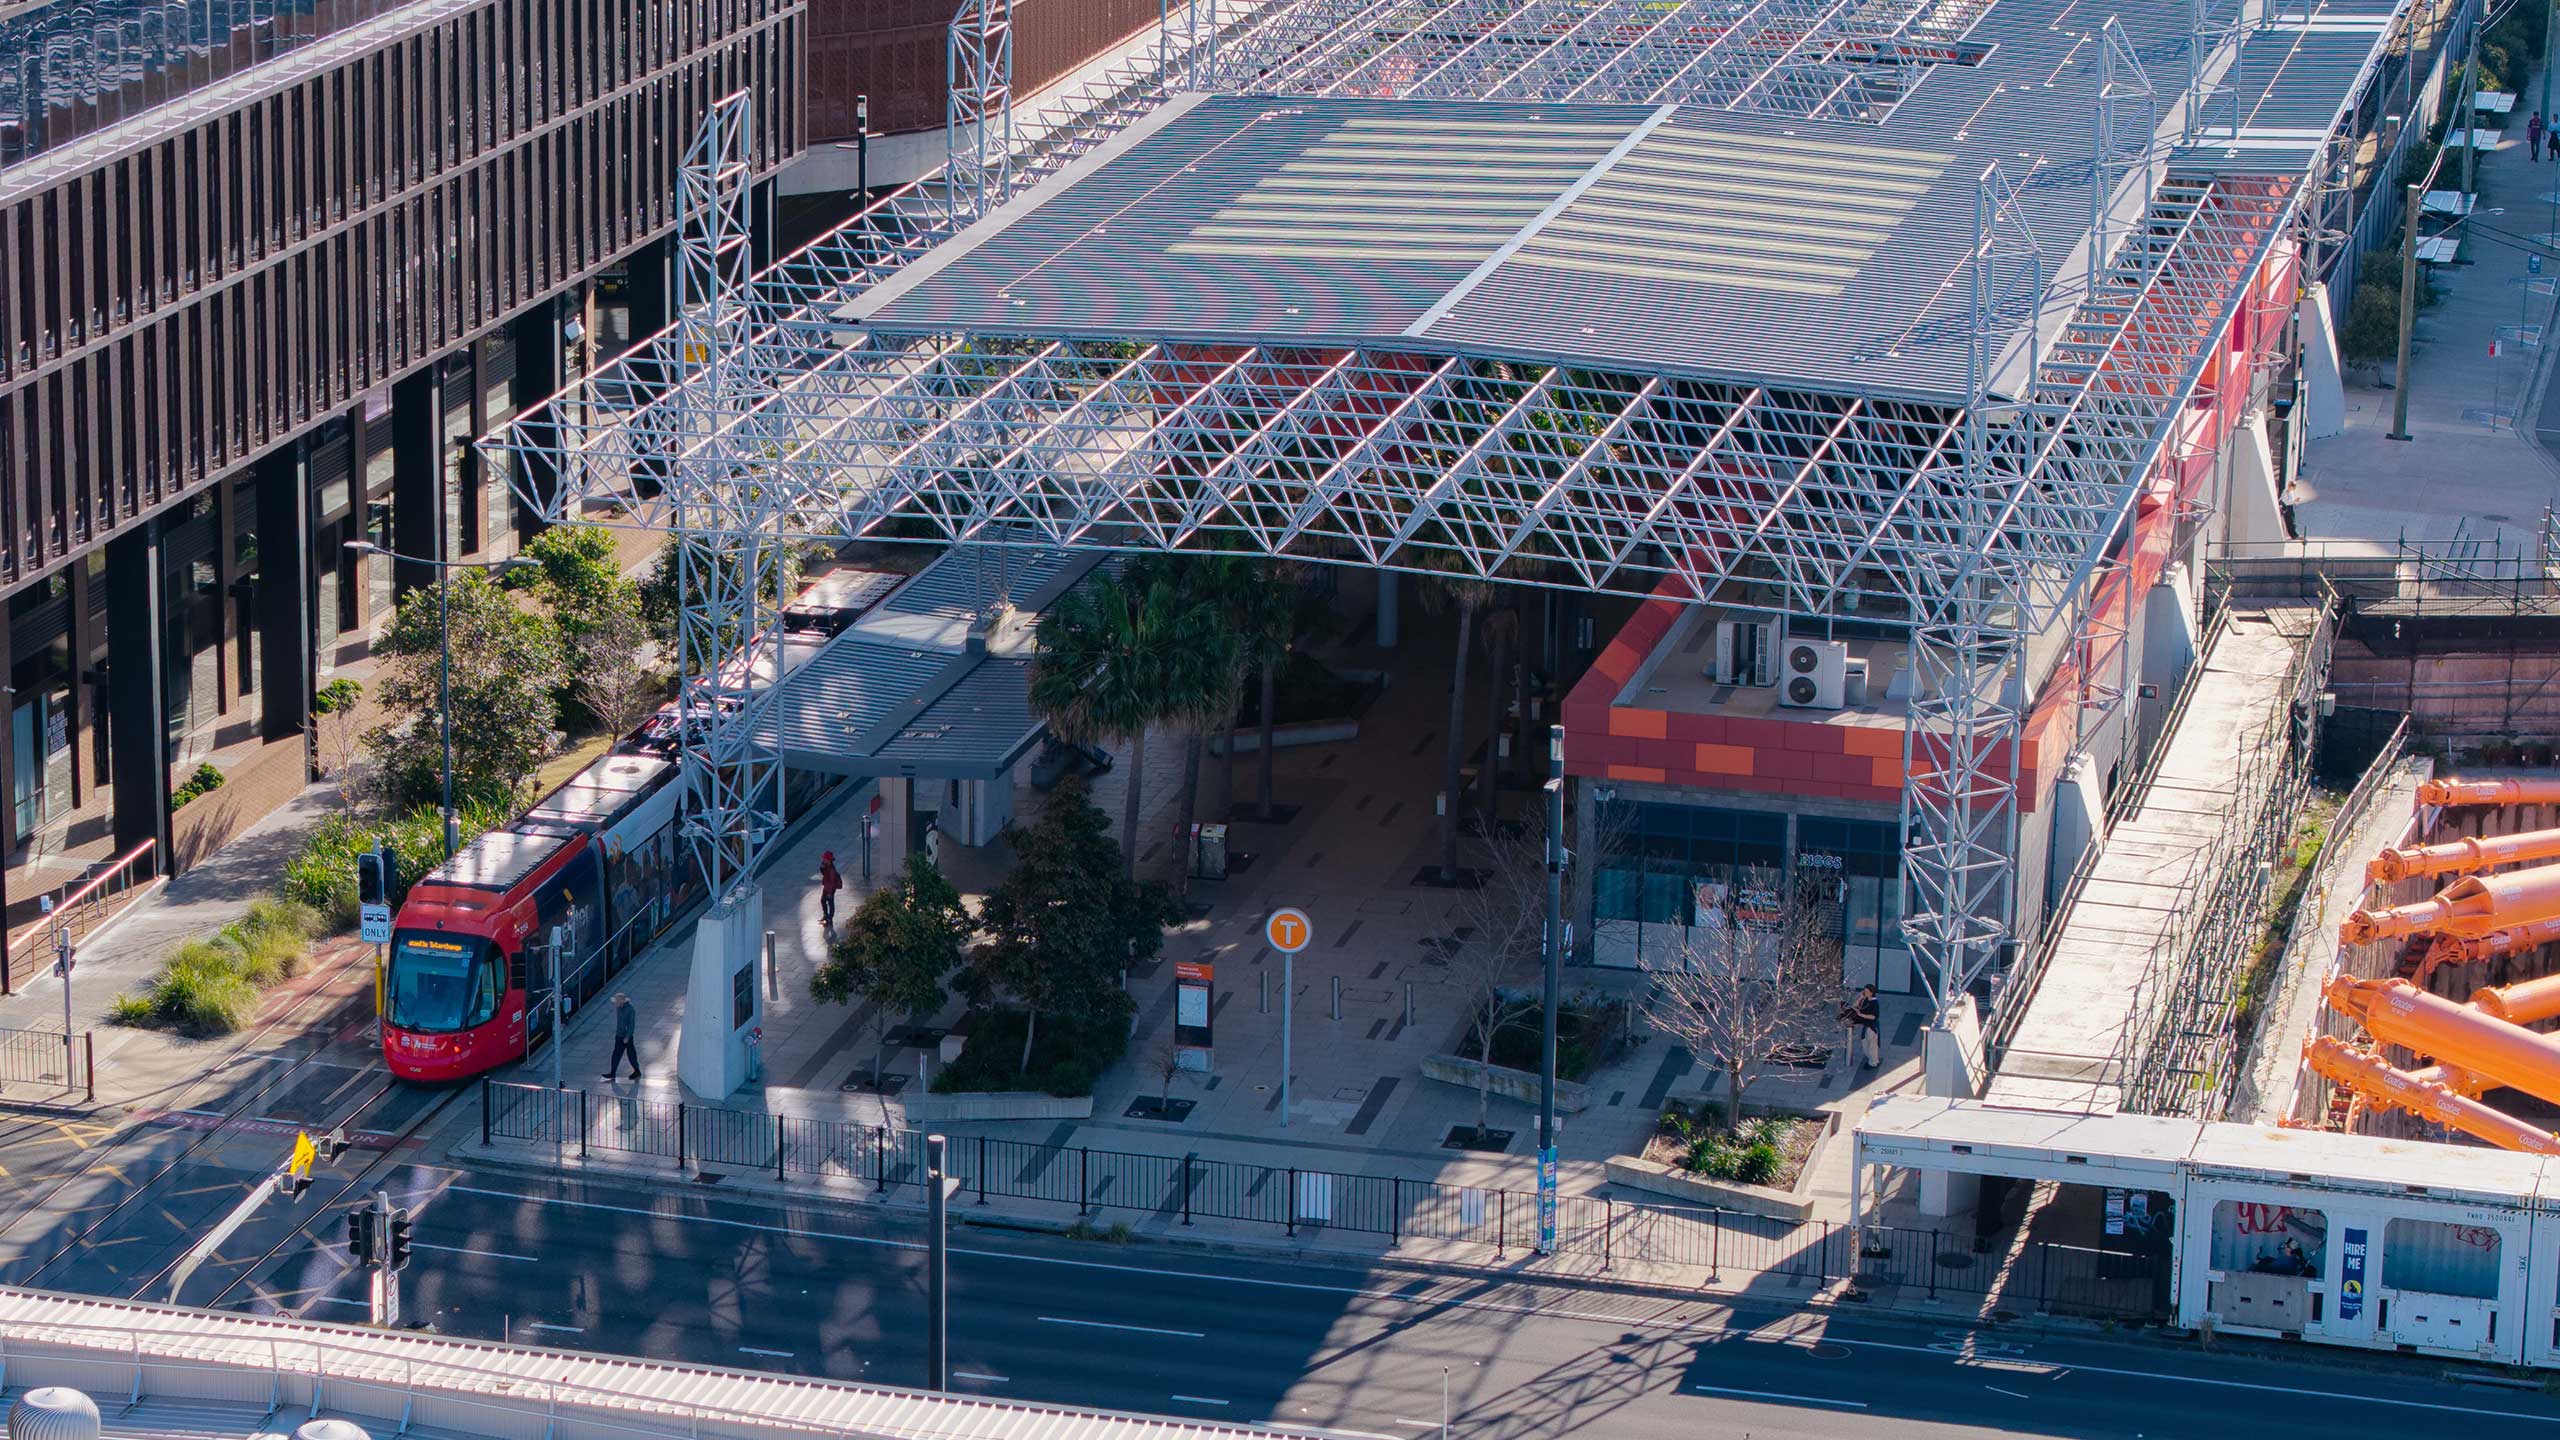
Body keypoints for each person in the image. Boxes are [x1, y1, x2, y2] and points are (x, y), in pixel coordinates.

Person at [1840, 984, 1881, 1071]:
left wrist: (1861, 1015)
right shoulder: (1865, 1000)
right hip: (1866, 1025)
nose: (1865, 993)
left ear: (1871, 993)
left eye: (1866, 992)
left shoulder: (1874, 1003)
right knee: (1865, 1044)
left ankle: (1873, 1062)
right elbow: (1854, 1006)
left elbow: (1873, 1017)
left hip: (1872, 1027)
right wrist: (1860, 998)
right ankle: (1872, 1060)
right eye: (1864, 991)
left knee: (1872, 1046)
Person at [604, 992, 641, 1082]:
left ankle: (637, 1071)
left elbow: (631, 1025)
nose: (615, 1004)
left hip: (626, 1037)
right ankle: (612, 1072)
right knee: (616, 1055)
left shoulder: (630, 1010)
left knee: (631, 1054)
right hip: (619, 1035)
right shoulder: (619, 1008)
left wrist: (627, 1037)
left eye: (616, 1002)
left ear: (621, 1002)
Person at [818, 850, 843, 929]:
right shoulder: (826, 865)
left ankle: (829, 918)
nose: (823, 860)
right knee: (823, 900)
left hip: (830, 889)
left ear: (828, 860)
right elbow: (824, 874)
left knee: (830, 903)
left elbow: (832, 882)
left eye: (824, 858)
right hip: (826, 887)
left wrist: (829, 892)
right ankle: (826, 915)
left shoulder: (832, 870)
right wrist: (822, 868)